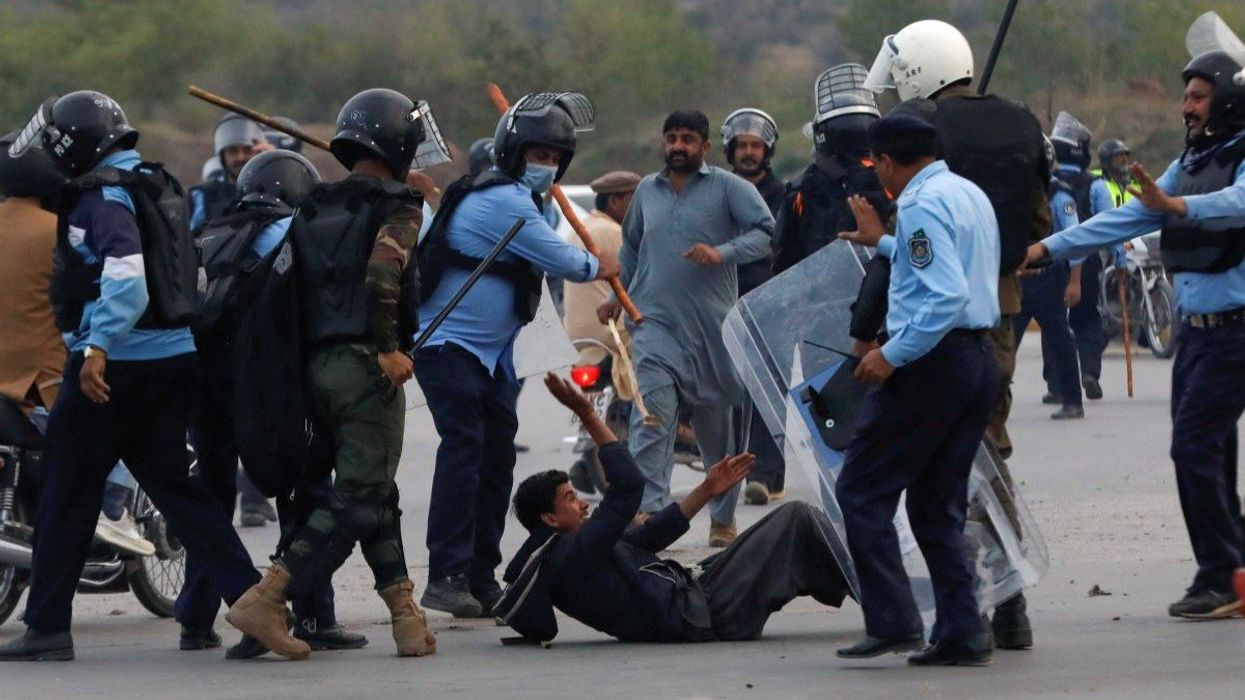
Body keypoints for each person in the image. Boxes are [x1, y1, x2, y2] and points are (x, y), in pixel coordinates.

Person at [0, 91, 262, 662]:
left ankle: (47, 627)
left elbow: (126, 277)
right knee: (180, 493)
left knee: (66, 493)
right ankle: (256, 601)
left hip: (114, 366)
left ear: (73, 147)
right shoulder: (157, 184)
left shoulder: (101, 197)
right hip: (173, 360)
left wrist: (98, 346)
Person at [1024, 43, 1245, 619]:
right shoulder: (1192, 163)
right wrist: (1047, 248)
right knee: (1213, 453)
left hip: (1236, 332)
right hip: (1195, 334)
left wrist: (1177, 205)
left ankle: (1220, 578)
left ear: (1228, 99)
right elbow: (1125, 217)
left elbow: (1239, 201)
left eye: (1198, 97)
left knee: (1192, 447)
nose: (1186, 107)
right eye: (1186, 96)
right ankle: (1236, 569)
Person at [225, 88, 444, 660]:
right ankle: (268, 598)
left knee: (374, 489)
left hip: (315, 368)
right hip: (366, 365)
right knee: (360, 496)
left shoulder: (315, 204)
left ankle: (405, 616)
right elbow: (383, 272)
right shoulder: (400, 205)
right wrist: (389, 348)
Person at [861, 18, 1049, 649]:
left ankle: (975, 603)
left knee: (937, 471)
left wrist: (876, 336)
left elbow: (914, 264)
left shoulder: (922, 141)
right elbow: (1037, 225)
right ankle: (1008, 606)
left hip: (933, 326)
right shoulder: (1022, 124)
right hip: (999, 310)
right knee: (987, 453)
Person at [413, 92, 616, 618]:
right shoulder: (502, 200)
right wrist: (600, 267)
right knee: (465, 450)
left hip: (495, 356)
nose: (546, 165)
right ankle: (446, 574)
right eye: (538, 154)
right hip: (449, 344)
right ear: (512, 152)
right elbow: (565, 260)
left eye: (555, 158)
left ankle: (481, 577)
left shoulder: (529, 202)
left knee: (496, 461)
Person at [175, 149, 366, 657]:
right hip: (267, 383)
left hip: (204, 381)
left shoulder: (209, 232)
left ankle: (195, 619)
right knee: (303, 490)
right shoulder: (292, 231)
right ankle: (310, 615)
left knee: (212, 500)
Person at [496, 372, 850, 644]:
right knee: (797, 518)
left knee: (796, 534)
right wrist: (588, 414)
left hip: (699, 599)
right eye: (571, 499)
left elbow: (650, 535)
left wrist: (707, 489)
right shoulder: (574, 552)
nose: (583, 503)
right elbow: (628, 486)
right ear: (550, 518)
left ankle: (868, 586)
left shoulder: (572, 552)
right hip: (705, 613)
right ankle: (877, 596)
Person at [834, 112, 1001, 667]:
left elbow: (946, 293)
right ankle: (963, 630)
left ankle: (893, 621)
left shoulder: (921, 203)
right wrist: (884, 243)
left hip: (932, 362)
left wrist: (892, 353)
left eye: (875, 162)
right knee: (935, 504)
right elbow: (945, 266)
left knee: (862, 491)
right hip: (976, 358)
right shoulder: (966, 193)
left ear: (886, 161)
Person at [597, 110, 775, 548]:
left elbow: (766, 234)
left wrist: (722, 253)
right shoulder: (646, 190)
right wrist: (618, 297)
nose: (678, 146)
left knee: (718, 433)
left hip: (712, 330)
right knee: (651, 419)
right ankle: (650, 514)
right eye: (672, 138)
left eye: (688, 139)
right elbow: (632, 248)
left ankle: (723, 516)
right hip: (654, 325)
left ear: (705, 146)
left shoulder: (730, 188)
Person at [190, 112, 277, 528]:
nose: (240, 156)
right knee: (214, 429)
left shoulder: (272, 188)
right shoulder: (203, 196)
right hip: (213, 317)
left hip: (257, 320)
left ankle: (256, 497)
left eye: (247, 150)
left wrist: (273, 166)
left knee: (259, 419)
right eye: (233, 151)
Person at [720, 108, 789, 507]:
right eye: (742, 145)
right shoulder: (716, 192)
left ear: (768, 151)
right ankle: (730, 470)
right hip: (722, 301)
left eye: (756, 146)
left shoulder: (786, 196)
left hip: (769, 302)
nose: (749, 152)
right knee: (727, 390)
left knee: (768, 392)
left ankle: (765, 475)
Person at [773, 63, 889, 274]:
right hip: (884, 283)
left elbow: (782, 256)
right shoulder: (888, 175)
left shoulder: (801, 186)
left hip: (823, 287)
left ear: (821, 135)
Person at [1013, 139, 1085, 420]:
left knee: (1060, 340)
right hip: (1018, 278)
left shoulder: (1059, 194)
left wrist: (1074, 281)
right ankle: (991, 407)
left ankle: (1072, 400)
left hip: (1048, 278)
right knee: (1004, 341)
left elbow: (1074, 237)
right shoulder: (1017, 191)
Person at [1050, 111, 1114, 400]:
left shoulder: (1047, 183)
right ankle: (1089, 372)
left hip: (1050, 261)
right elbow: (1111, 224)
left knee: (1054, 322)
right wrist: (1120, 259)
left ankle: (1056, 384)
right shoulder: (1096, 184)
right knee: (1087, 319)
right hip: (1086, 263)